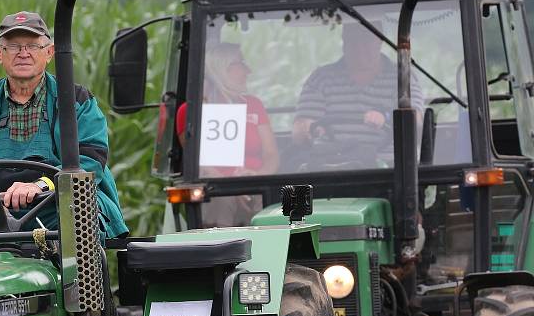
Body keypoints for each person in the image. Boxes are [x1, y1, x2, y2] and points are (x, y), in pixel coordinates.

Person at [0, 11, 128, 256]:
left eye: (32, 45)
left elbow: (91, 160)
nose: (23, 53)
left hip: (60, 208)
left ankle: (81, 295)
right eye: (13, 46)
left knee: (81, 227)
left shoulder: (77, 101)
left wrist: (40, 186)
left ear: (50, 52)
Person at [176, 42, 279, 227]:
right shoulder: (192, 111)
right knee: (221, 202)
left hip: (256, 186)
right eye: (241, 64)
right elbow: (198, 164)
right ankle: (223, 253)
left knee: (265, 203)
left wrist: (256, 176)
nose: (248, 71)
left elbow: (271, 155)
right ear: (222, 69)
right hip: (217, 190)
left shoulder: (254, 105)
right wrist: (233, 187)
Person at [293, 22, 424, 155]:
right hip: (332, 166)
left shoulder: (402, 77)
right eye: (354, 42)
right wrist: (309, 128)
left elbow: (415, 121)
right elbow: (300, 129)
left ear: (380, 41)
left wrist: (386, 117)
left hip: (391, 169)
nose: (360, 49)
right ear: (344, 42)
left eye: (367, 41)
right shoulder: (321, 79)